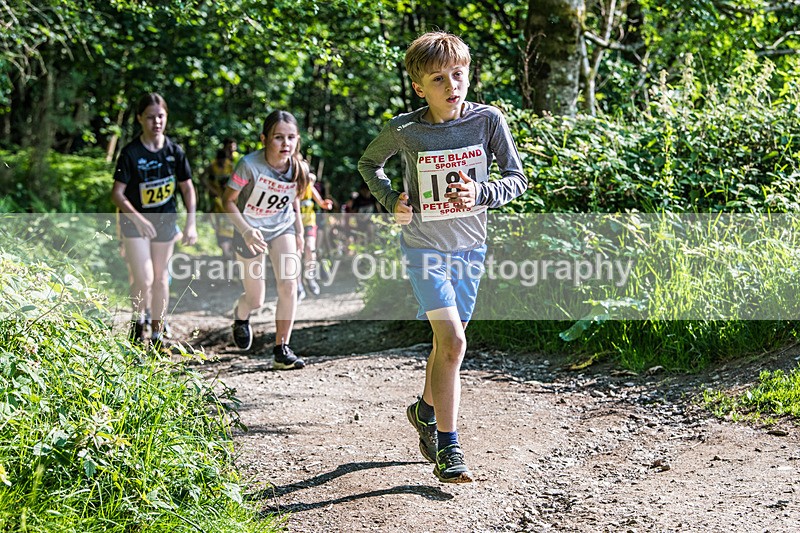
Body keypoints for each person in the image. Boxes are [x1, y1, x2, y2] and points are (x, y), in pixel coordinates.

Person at [358, 31, 527, 483]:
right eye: (439, 78)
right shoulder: (405, 129)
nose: (452, 84)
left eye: (458, 73)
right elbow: (368, 164)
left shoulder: (488, 121)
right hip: (423, 247)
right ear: (419, 87)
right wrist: (392, 198)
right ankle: (449, 449)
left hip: (470, 248)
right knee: (453, 342)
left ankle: (425, 411)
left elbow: (518, 179)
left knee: (444, 346)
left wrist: (482, 192)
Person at [222, 110, 309, 370]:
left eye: (291, 138)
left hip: (282, 228)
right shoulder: (248, 165)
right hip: (250, 230)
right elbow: (226, 201)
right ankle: (241, 315)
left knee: (289, 284)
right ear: (264, 139)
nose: (286, 144)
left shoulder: (298, 167)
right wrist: (247, 230)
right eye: (278, 137)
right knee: (256, 298)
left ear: (297, 140)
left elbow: (293, 197)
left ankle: (282, 348)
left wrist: (300, 231)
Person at [111, 92, 198, 348]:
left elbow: (188, 189)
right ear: (140, 119)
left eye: (160, 116)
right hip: (135, 223)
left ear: (166, 117)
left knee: (161, 279)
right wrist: (138, 220)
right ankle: (139, 322)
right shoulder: (130, 153)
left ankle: (158, 333)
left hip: (165, 222)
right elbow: (117, 194)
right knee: (144, 279)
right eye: (150, 117)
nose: (156, 122)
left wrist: (191, 222)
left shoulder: (174, 151)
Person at [298, 172, 333, 297]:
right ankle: (298, 284)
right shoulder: (290, 186)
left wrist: (326, 204)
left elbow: (321, 203)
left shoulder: (309, 187)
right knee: (295, 254)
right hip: (292, 224)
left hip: (309, 222)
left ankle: (310, 277)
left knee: (310, 249)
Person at [202, 147, 236, 257]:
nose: (222, 162)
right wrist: (210, 189)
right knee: (219, 225)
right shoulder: (212, 166)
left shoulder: (230, 166)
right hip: (217, 197)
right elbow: (202, 177)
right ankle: (225, 251)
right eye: (220, 159)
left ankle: (231, 250)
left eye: (223, 159)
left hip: (229, 196)